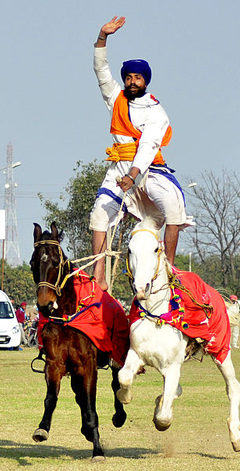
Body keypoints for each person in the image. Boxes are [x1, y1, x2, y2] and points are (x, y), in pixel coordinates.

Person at [89, 16, 192, 290]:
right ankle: (98, 277)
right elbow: (101, 71)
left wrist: (133, 175)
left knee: (173, 209)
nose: (132, 82)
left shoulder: (156, 112)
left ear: (145, 81)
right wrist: (102, 37)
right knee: (99, 215)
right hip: (118, 168)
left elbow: (147, 147)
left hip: (147, 171)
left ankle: (169, 266)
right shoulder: (117, 98)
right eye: (128, 78)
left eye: (137, 78)